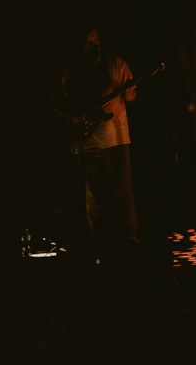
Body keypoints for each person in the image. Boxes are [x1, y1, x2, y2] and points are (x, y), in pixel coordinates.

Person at [51, 26, 140, 245]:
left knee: (122, 192)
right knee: (92, 195)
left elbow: (131, 97)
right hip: (85, 139)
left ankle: (130, 237)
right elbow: (59, 101)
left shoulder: (115, 63)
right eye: (87, 43)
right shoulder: (73, 70)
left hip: (115, 139)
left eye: (96, 40)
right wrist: (71, 116)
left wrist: (130, 91)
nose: (93, 46)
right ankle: (98, 239)